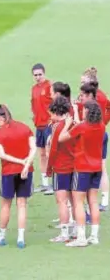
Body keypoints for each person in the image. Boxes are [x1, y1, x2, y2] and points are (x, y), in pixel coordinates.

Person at [59, 100, 105, 247]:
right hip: (96, 168)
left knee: (78, 202)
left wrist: (67, 124)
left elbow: (62, 138)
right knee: (93, 201)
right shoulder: (101, 126)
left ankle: (81, 237)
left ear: (86, 111)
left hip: (82, 168)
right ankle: (94, 236)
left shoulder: (82, 127)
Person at [0, 104, 37, 249]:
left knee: (6, 204)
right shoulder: (24, 127)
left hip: (8, 172)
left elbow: (2, 155)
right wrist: (25, 165)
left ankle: (1, 237)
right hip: (26, 171)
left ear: (1, 118)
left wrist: (19, 162)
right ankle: (21, 238)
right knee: (22, 204)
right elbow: (33, 148)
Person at [46, 96, 75, 242]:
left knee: (62, 201)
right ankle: (76, 230)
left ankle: (64, 233)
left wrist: (48, 168)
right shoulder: (74, 123)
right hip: (75, 166)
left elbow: (53, 150)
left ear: (55, 111)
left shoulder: (58, 127)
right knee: (74, 200)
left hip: (61, 168)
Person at [81, 69, 109, 211]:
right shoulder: (103, 96)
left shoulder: (90, 99)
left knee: (90, 166)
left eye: (83, 81)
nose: (81, 84)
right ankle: (104, 200)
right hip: (101, 132)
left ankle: (90, 201)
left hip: (92, 134)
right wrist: (104, 123)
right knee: (102, 166)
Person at [30, 63, 53, 193]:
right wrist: (35, 117)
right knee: (42, 154)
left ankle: (54, 183)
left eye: (40, 74)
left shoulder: (50, 86)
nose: (38, 77)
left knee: (51, 154)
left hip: (49, 124)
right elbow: (33, 104)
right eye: (35, 75)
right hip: (39, 125)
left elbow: (56, 103)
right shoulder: (34, 89)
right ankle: (45, 183)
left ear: (44, 73)